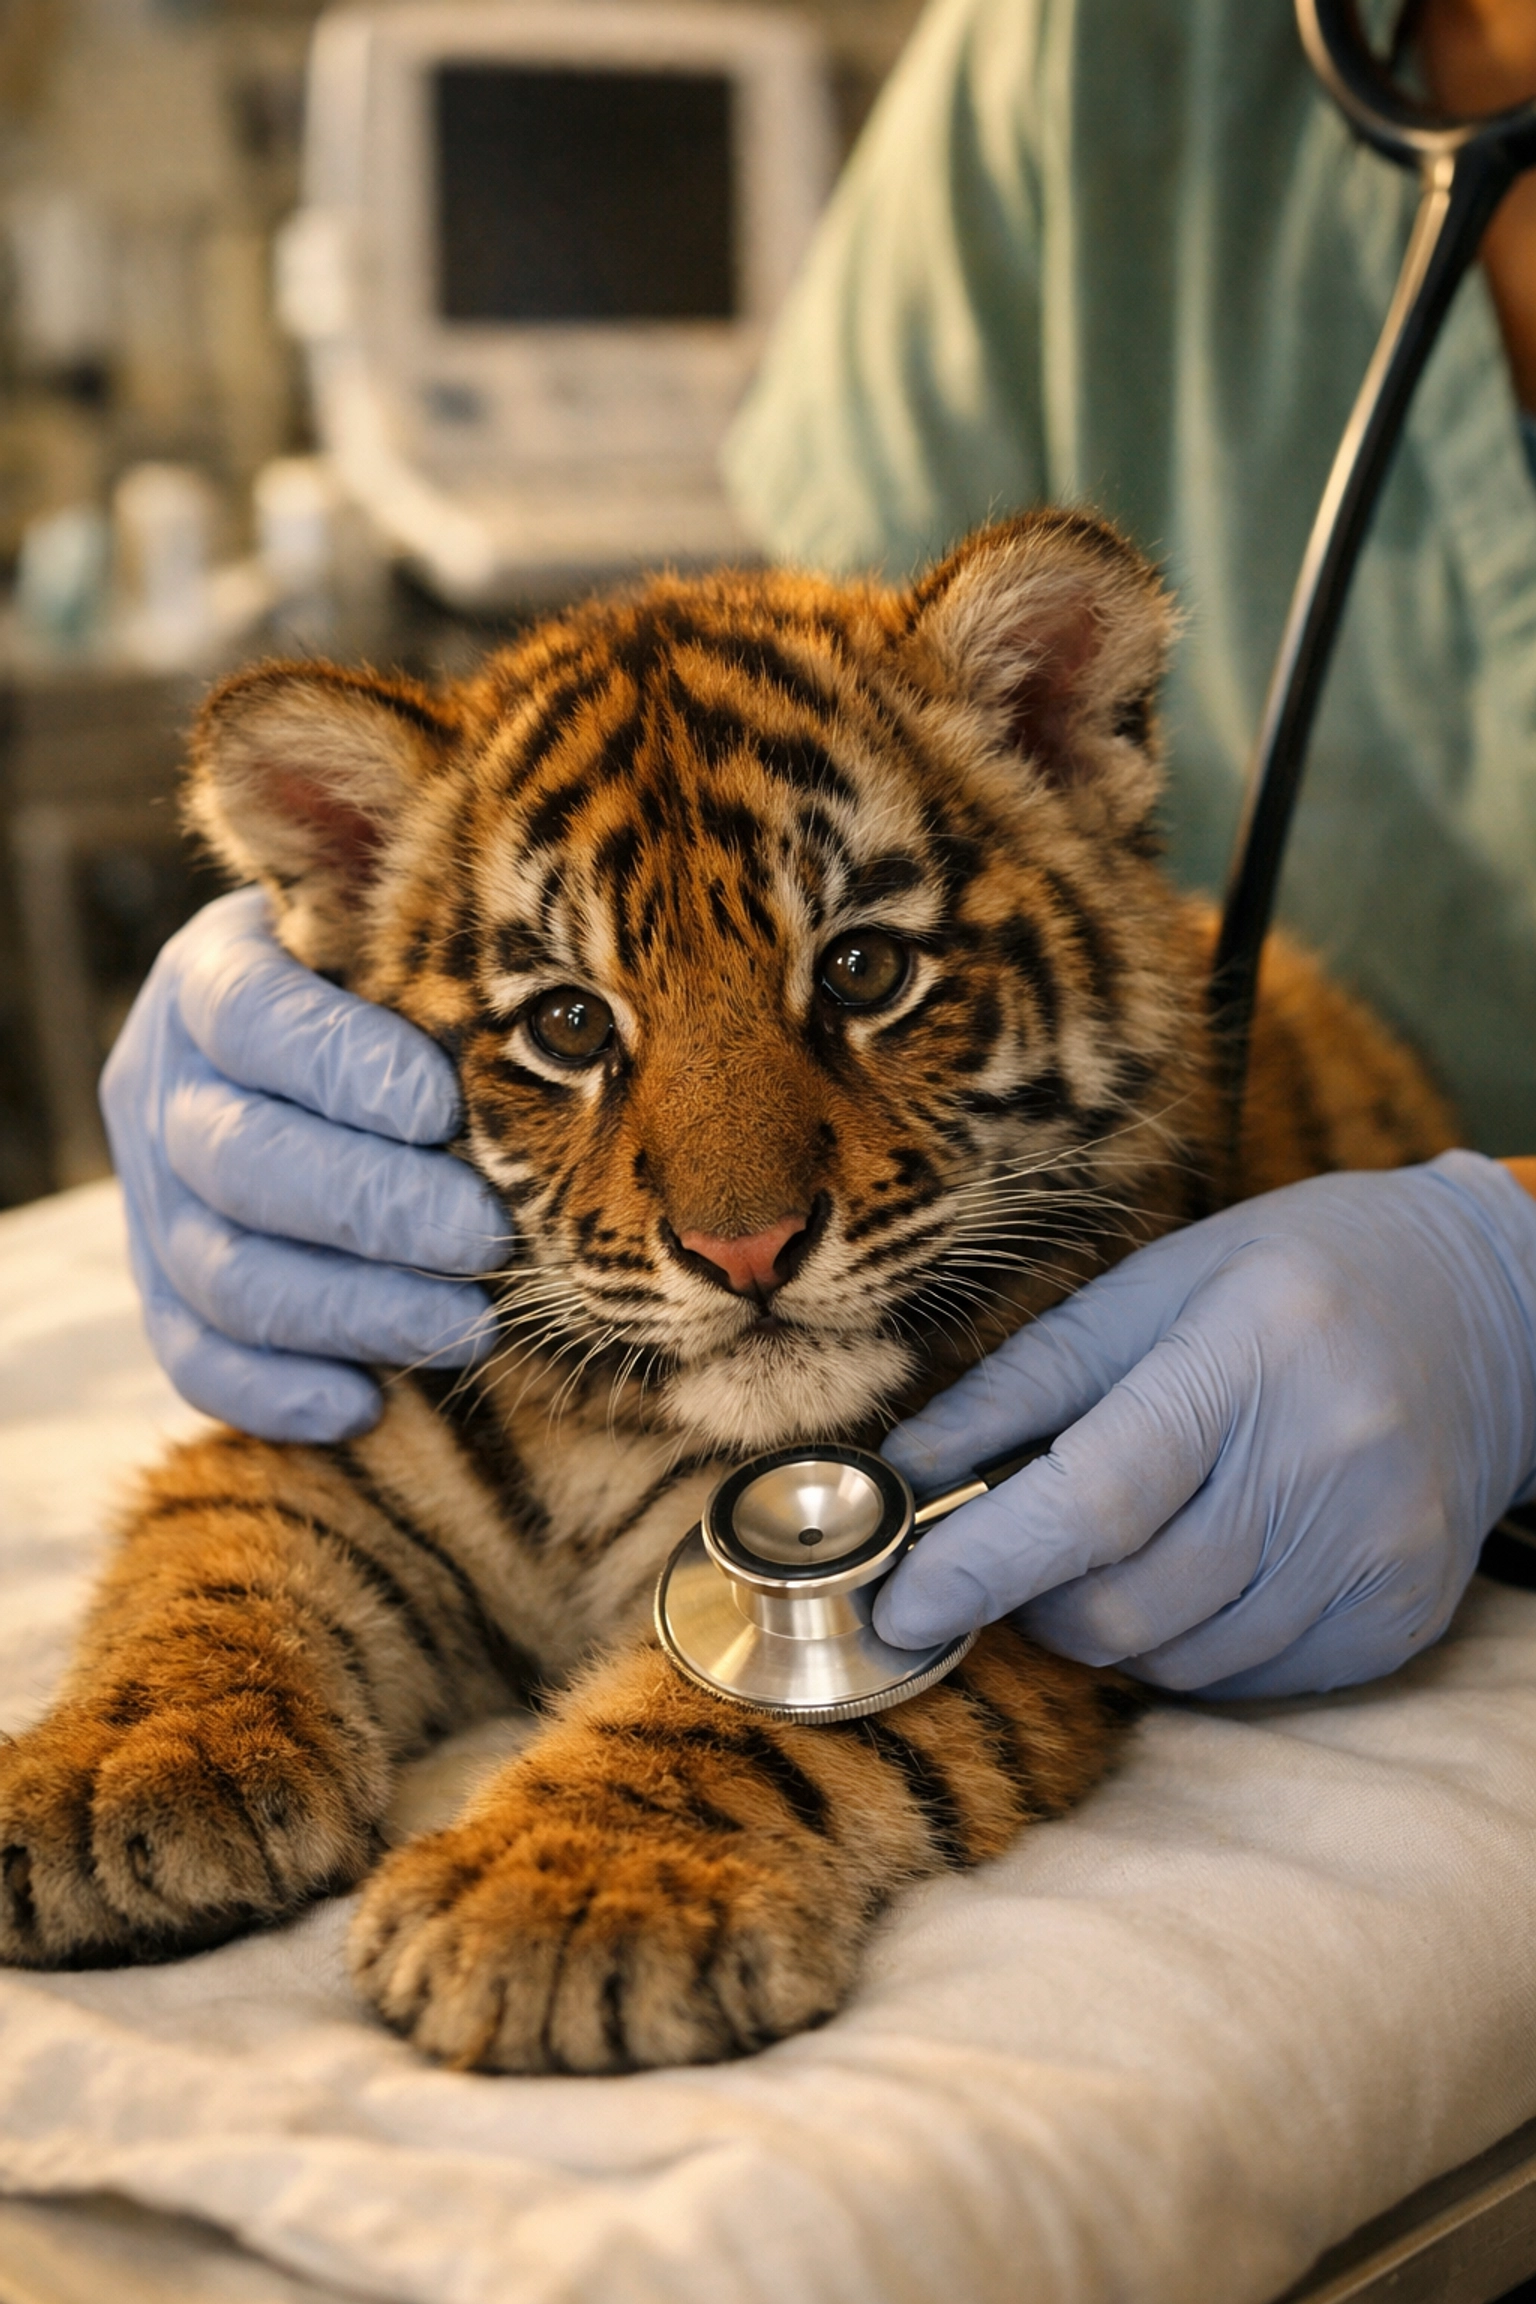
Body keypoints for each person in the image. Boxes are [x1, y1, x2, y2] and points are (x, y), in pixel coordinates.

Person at [100, 0, 1536, 1699]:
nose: (739, 1211)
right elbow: (753, 737)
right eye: (569, 1030)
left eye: (864, 972)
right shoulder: (1099, 42)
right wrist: (360, 918)